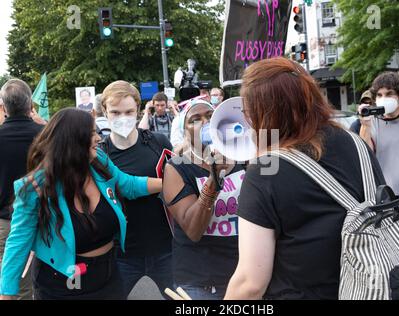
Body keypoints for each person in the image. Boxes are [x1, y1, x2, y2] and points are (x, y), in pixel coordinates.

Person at [224, 57, 385, 300]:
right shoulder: (356, 143)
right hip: (374, 289)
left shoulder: (265, 173)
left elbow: (250, 282)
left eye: (249, 112)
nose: (248, 120)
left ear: (265, 115)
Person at [0, 108, 162, 300]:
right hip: (61, 286)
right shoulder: (35, 187)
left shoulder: (99, 161)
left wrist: (171, 183)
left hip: (109, 278)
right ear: (72, 140)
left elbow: (128, 185)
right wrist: (6, 294)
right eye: (91, 133)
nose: (99, 138)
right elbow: (18, 242)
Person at [162, 99, 246, 300]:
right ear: (185, 130)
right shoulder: (176, 168)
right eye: (195, 119)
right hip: (200, 282)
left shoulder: (243, 158)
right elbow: (193, 230)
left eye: (210, 116)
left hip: (243, 273)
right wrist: (213, 180)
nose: (205, 123)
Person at [98, 81, 174, 299]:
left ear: (139, 110)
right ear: (105, 112)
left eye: (129, 111)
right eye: (115, 112)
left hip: (165, 248)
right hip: (120, 253)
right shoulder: (99, 155)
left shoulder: (157, 143)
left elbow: (179, 185)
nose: (122, 118)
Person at [0, 79, 45, 300]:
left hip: (7, 221)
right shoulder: (46, 135)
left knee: (14, 284)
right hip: (48, 219)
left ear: (4, 107)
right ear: (30, 104)